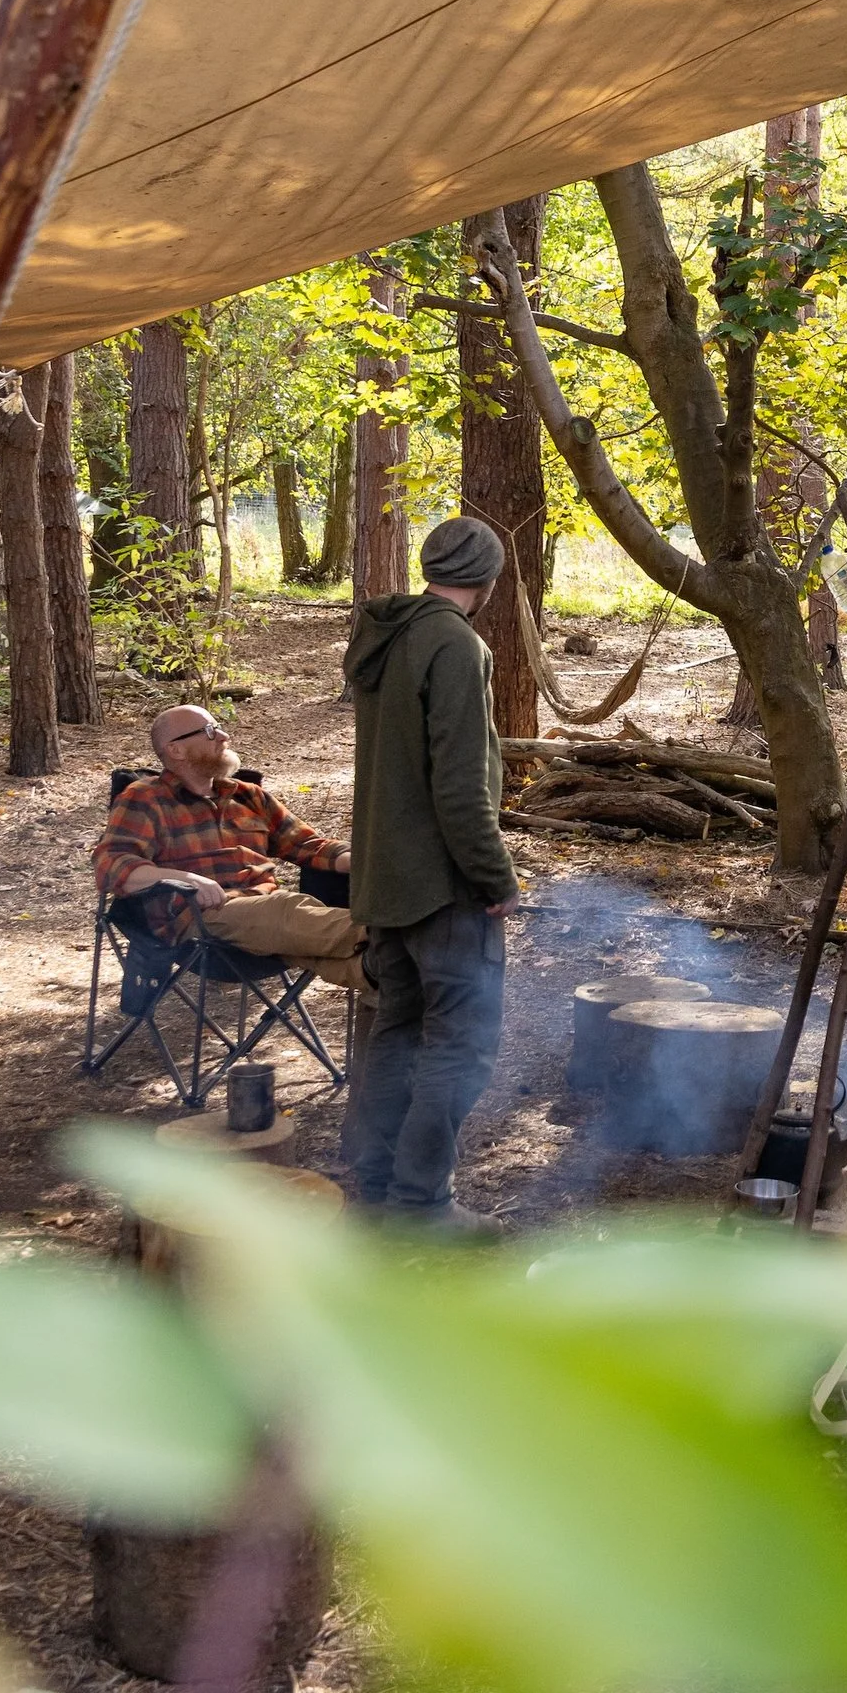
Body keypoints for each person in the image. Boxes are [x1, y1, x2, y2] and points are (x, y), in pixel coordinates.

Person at [340, 512, 519, 1223]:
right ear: (489, 580)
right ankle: (422, 1200)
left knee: (397, 1034)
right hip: (442, 886)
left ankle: (375, 1186)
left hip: (384, 880)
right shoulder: (454, 644)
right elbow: (459, 786)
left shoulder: (388, 634)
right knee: (460, 1045)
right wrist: (495, 877)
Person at [93, 706, 364, 978]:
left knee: (370, 969)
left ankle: (390, 970)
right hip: (200, 921)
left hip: (269, 922)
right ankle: (390, 933)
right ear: (176, 750)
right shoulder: (146, 798)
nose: (224, 736)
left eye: (219, 727)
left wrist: (364, 865)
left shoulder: (248, 796)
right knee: (283, 912)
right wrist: (189, 880)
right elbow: (111, 866)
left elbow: (308, 845)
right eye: (210, 731)